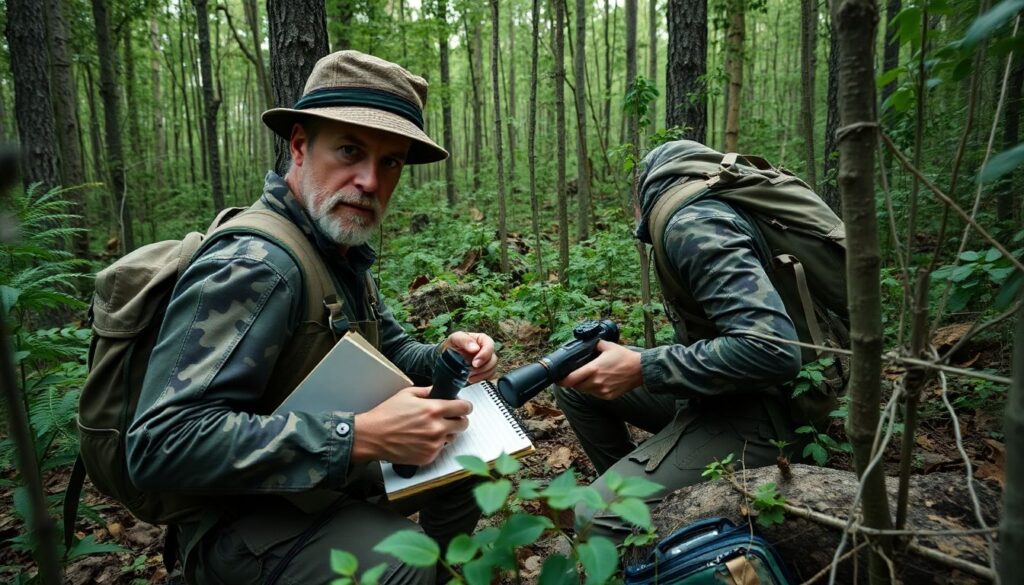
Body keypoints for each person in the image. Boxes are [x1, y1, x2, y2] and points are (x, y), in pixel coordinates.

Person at [126, 51, 496, 585]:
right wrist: (359, 436)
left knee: (467, 458)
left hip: (311, 485)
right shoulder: (257, 265)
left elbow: (396, 353)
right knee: (398, 561)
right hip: (236, 523)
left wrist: (447, 355)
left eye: (390, 161)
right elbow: (162, 444)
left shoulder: (334, 251)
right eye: (350, 150)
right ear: (299, 145)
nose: (369, 180)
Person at [553, 140, 806, 542]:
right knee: (578, 383)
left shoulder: (691, 223)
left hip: (768, 409)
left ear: (642, 193)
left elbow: (773, 350)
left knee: (590, 517)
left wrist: (643, 367)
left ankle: (625, 525)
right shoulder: (704, 207)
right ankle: (644, 501)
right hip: (726, 391)